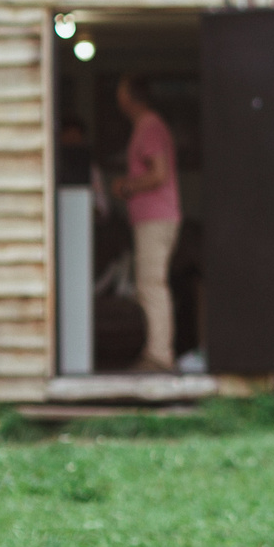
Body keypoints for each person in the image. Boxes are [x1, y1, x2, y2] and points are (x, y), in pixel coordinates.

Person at [112, 77, 179, 372]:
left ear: (130, 97)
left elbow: (159, 173)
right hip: (152, 218)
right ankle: (156, 351)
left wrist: (127, 187)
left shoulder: (149, 126)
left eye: (121, 92)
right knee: (149, 284)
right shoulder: (147, 126)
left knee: (152, 284)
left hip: (157, 218)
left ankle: (159, 356)